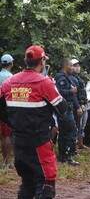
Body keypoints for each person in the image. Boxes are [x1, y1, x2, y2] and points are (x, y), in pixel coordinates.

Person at [0, 45, 67, 199]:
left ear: (26, 61)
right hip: (40, 142)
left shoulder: (10, 82)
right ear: (42, 61)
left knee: (27, 182)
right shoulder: (45, 83)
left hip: (19, 141)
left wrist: (12, 123)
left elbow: (2, 109)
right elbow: (63, 109)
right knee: (46, 183)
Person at [55, 59, 81, 166]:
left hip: (67, 108)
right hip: (64, 109)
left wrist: (77, 106)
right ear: (66, 66)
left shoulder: (68, 78)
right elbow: (59, 92)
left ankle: (62, 156)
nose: (73, 68)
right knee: (72, 130)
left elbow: (73, 95)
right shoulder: (61, 78)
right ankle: (69, 155)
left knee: (64, 133)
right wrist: (71, 91)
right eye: (71, 66)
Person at [71, 58, 88, 149]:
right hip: (77, 105)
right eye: (75, 66)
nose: (77, 67)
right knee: (78, 125)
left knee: (82, 125)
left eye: (78, 65)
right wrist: (80, 105)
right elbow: (75, 95)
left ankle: (80, 144)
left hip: (83, 104)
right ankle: (74, 145)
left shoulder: (78, 78)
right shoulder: (71, 79)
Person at [0, 54, 14, 167]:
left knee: (3, 135)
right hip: (6, 106)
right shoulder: (11, 77)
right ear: (11, 64)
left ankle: (5, 160)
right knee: (7, 135)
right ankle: (7, 161)